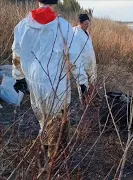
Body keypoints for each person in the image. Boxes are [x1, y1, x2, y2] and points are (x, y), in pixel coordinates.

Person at [11, 0, 88, 159]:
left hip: (35, 86)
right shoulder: (63, 26)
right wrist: (82, 81)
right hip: (57, 87)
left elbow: (16, 54)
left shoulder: (22, 26)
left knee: (43, 122)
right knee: (58, 127)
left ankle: (45, 157)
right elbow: (74, 57)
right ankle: (55, 162)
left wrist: (19, 78)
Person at [73, 13, 97, 106]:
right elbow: (75, 58)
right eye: (86, 23)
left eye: (89, 23)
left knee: (91, 89)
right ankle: (84, 108)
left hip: (90, 67)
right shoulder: (75, 35)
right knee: (83, 90)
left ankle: (90, 105)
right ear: (80, 23)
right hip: (82, 69)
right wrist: (81, 76)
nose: (88, 25)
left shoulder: (86, 33)